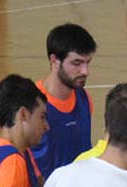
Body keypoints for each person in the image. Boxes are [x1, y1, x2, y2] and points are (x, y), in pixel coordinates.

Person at [31, 23, 96, 178]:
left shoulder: (84, 99)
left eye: (88, 62)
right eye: (77, 63)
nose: (85, 71)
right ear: (54, 61)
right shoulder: (29, 102)